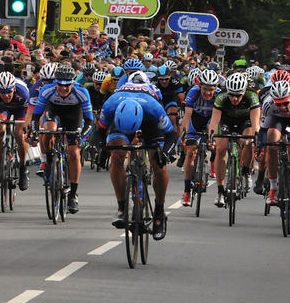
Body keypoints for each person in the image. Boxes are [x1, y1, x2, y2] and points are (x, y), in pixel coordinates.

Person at [91, 74, 178, 240]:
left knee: (159, 164)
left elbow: (172, 135)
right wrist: (100, 149)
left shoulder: (154, 108)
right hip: (122, 118)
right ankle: (122, 207)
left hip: (150, 122)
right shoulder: (110, 105)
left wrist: (167, 152)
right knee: (116, 155)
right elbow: (99, 132)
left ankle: (159, 212)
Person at [25, 65, 93, 214]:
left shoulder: (82, 92)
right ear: (55, 83)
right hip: (54, 111)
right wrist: (34, 132)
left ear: (73, 83)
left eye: (67, 85)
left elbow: (89, 121)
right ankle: (49, 161)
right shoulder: (47, 90)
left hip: (74, 115)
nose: (63, 89)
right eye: (60, 85)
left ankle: (73, 195)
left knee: (74, 153)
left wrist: (81, 137)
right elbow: (36, 116)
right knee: (48, 129)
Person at [207, 72, 260, 207]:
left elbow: (255, 121)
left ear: (244, 91)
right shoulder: (221, 97)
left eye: (238, 95)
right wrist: (211, 137)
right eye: (231, 94)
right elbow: (214, 120)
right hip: (226, 121)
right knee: (220, 150)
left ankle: (246, 171)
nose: (234, 99)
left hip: (245, 121)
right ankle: (220, 191)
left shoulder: (252, 96)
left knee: (249, 143)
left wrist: (256, 136)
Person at [179, 69, 220, 206]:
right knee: (190, 152)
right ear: (200, 86)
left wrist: (213, 138)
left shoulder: (219, 95)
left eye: (211, 89)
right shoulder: (193, 92)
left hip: (211, 120)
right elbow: (187, 115)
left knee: (214, 143)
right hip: (195, 120)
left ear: (216, 88)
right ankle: (186, 191)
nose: (208, 93)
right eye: (205, 89)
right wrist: (184, 134)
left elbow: (217, 119)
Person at [0, 71, 31, 190]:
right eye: (2, 93)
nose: (6, 96)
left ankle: (23, 168)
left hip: (20, 109)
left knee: (19, 134)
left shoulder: (23, 94)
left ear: (14, 89)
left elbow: (29, 114)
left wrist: (27, 128)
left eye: (9, 92)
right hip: (2, 108)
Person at [258, 80, 290, 205]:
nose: (282, 107)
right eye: (278, 104)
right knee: (271, 145)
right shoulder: (268, 104)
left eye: (285, 103)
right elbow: (263, 130)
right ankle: (273, 187)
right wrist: (260, 147)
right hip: (276, 120)